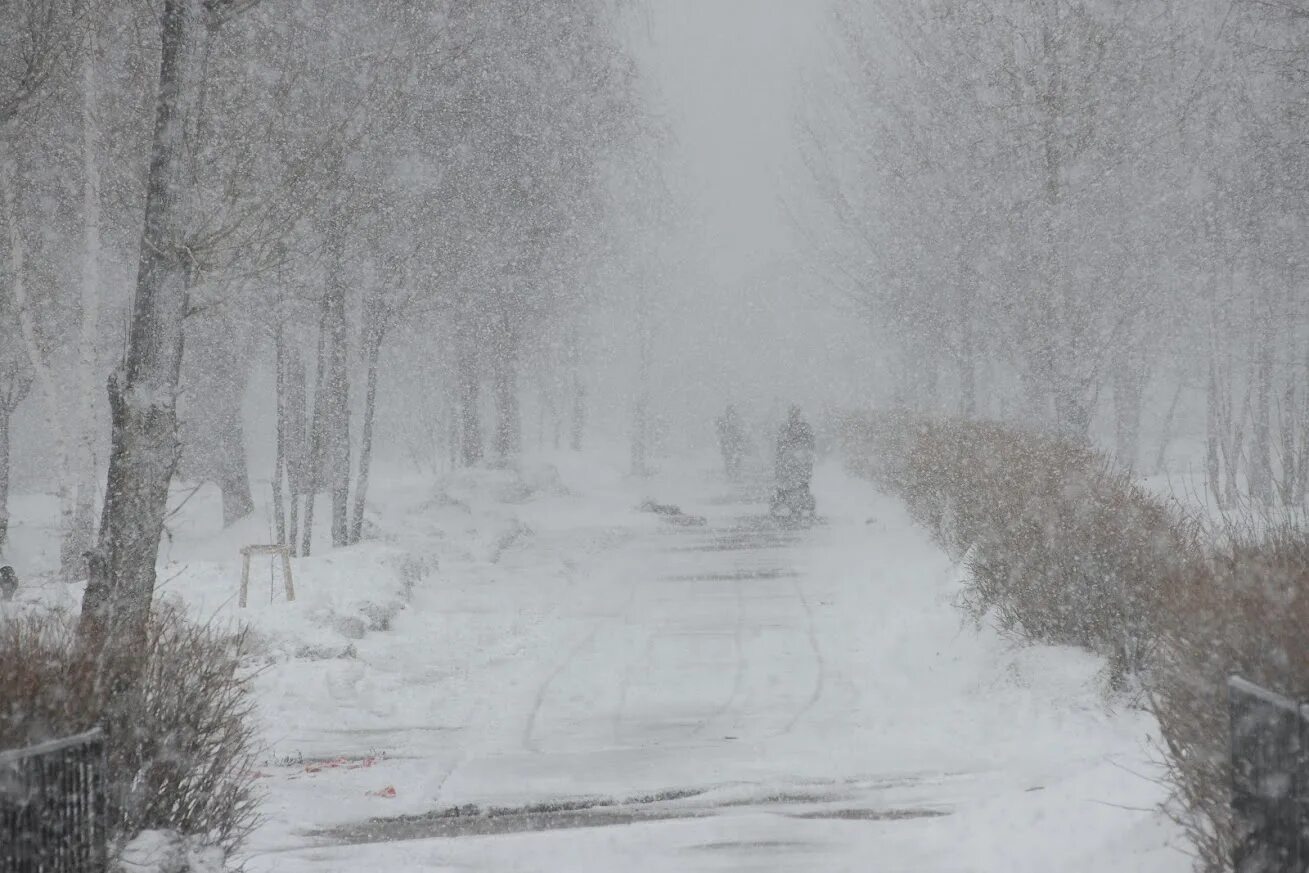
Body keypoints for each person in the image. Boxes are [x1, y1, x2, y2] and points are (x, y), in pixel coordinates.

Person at [773, 405, 815, 517]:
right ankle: (790, 503)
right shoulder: (788, 428)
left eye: (795, 413)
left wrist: (805, 455)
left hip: (799, 460)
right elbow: (780, 446)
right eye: (793, 413)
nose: (794, 416)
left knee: (801, 483)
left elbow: (810, 444)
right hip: (789, 460)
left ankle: (798, 503)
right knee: (788, 484)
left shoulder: (803, 428)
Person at [715, 404, 746, 481]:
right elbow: (720, 431)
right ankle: (732, 475)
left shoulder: (734, 420)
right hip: (729, 443)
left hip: (732, 443)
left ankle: (733, 474)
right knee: (730, 459)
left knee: (733, 459)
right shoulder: (726, 421)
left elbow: (739, 432)